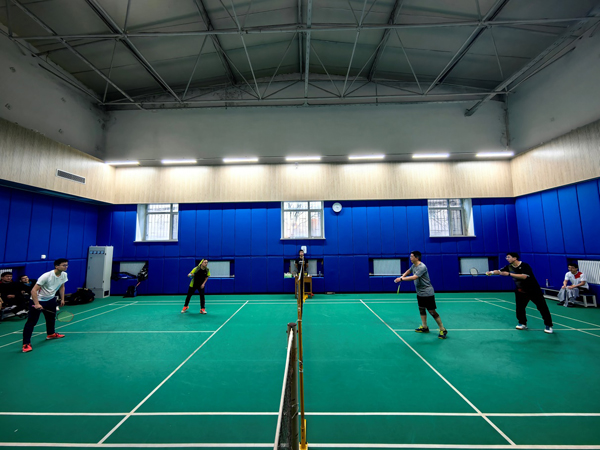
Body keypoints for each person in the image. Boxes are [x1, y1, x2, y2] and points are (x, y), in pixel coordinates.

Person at [487, 252, 554, 334]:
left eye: (508, 257)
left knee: (542, 307)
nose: (507, 259)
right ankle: (522, 323)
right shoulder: (509, 266)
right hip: (521, 291)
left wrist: (509, 274)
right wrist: (491, 272)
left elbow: (524, 276)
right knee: (520, 308)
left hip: (533, 290)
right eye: (506, 257)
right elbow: (499, 271)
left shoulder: (525, 265)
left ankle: (548, 325)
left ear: (515, 258)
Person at [395, 251, 448, 339]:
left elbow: (414, 277)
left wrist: (401, 279)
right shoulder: (414, 265)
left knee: (431, 311)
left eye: (412, 256)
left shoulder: (422, 267)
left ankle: (442, 329)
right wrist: (402, 276)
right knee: (421, 309)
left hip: (427, 292)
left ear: (417, 258)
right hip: (420, 292)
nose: (410, 258)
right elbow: (409, 271)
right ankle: (424, 327)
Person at [22, 259, 69, 353]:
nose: (66, 267)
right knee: (31, 322)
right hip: (38, 300)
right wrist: (37, 304)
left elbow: (62, 286)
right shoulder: (46, 276)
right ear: (56, 266)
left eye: (67, 265)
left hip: (50, 299)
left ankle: (51, 334)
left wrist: (62, 299)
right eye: (64, 265)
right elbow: (33, 290)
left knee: (51, 318)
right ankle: (26, 344)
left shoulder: (64, 274)